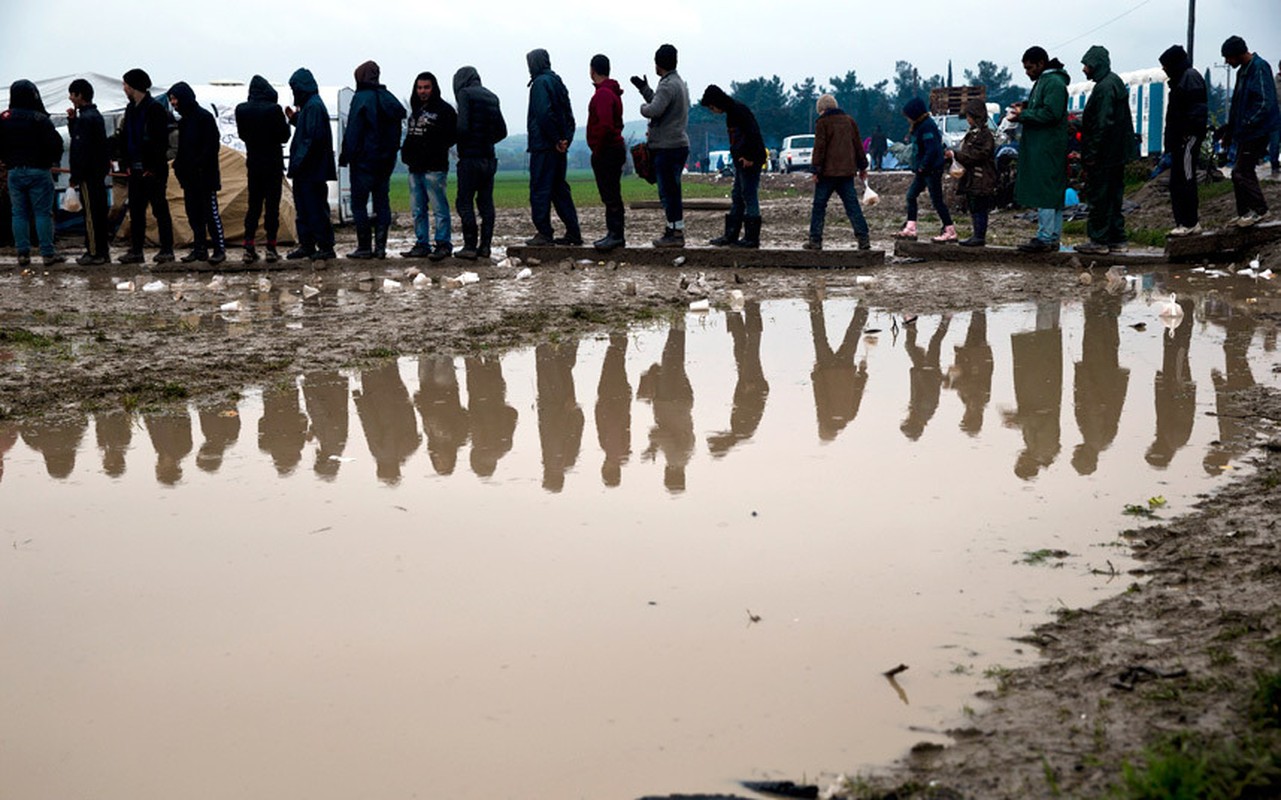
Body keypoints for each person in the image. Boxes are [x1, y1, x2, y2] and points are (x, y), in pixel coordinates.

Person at [340, 60, 406, 259]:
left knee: (359, 205)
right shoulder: (388, 98)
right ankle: (380, 247)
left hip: (363, 162)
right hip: (385, 162)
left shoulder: (360, 98)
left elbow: (352, 131)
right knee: (382, 203)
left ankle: (364, 247)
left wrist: (346, 156)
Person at [1074, 45, 1136, 255]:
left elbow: (1102, 123)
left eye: (1086, 65)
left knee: (1099, 197)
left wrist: (1091, 154)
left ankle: (1099, 240)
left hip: (1104, 155)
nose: (1084, 69)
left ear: (1096, 65)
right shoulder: (1114, 82)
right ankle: (1117, 238)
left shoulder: (1104, 88)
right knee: (1114, 196)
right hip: (1117, 153)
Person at [1010, 47, 1070, 252]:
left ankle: (1046, 237)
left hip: (1048, 146)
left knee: (1046, 191)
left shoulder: (1053, 83)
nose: (1027, 72)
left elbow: (1051, 113)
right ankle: (1051, 236)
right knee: (1050, 191)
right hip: (1045, 146)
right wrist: (1026, 106)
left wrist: (1023, 115)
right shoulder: (1044, 82)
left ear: (1041, 64)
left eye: (1029, 68)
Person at [0, 80, 64, 266]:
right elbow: (56, 144)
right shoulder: (39, 118)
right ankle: (47, 253)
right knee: (42, 213)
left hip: (14, 171)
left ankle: (22, 253)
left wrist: (7, 160)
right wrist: (50, 161)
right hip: (39, 170)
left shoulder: (4, 118)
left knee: (18, 213)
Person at [632, 44, 690, 247]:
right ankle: (674, 228)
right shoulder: (677, 82)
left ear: (658, 63)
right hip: (678, 144)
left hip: (668, 146)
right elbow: (663, 104)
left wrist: (642, 107)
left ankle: (674, 234)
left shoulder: (667, 85)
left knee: (668, 192)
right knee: (673, 191)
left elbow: (654, 109)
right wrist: (645, 90)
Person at [117, 68, 174, 264]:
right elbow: (126, 137)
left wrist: (153, 167)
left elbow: (160, 142)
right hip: (135, 167)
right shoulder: (131, 109)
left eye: (125, 84)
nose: (124, 88)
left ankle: (167, 250)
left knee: (160, 209)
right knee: (136, 210)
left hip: (152, 170)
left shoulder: (154, 109)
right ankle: (136, 250)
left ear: (133, 86)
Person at [1221, 36, 1280, 227]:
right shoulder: (1244, 71)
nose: (1227, 62)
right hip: (1245, 132)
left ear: (1238, 54)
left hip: (1257, 131)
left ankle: (1260, 210)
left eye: (1228, 58)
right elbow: (1237, 104)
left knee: (1241, 171)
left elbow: (1265, 102)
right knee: (1239, 172)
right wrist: (1229, 131)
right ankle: (1245, 213)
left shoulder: (1259, 68)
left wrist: (1247, 123)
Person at [525, 49, 581, 247]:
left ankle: (544, 232)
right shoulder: (558, 82)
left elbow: (543, 114)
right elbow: (569, 115)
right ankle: (573, 232)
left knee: (540, 189)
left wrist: (555, 139)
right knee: (559, 190)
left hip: (544, 146)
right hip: (559, 147)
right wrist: (566, 140)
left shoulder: (540, 83)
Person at [699, 84, 767, 248]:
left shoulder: (738, 111)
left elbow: (752, 133)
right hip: (741, 160)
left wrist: (749, 156)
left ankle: (751, 238)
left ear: (716, 103)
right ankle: (731, 234)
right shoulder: (732, 112)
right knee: (737, 195)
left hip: (749, 160)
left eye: (711, 107)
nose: (712, 111)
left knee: (749, 195)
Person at [400, 71, 457, 261]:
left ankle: (443, 244)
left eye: (426, 87)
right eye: (419, 87)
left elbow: (451, 137)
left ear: (434, 88)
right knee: (417, 209)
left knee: (439, 208)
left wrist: (433, 149)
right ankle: (421, 243)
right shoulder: (415, 111)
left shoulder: (445, 111)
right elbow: (410, 135)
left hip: (435, 167)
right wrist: (406, 154)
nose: (422, 91)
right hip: (414, 168)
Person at [452, 66, 507, 261]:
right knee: (486, 204)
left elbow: (463, 126)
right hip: (489, 158)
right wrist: (486, 140)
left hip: (470, 159)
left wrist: (461, 143)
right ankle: (485, 247)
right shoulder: (492, 97)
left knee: (464, 202)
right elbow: (502, 131)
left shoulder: (465, 95)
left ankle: (469, 245)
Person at [167, 82, 226, 264]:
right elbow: (183, 149)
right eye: (171, 100)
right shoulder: (184, 121)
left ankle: (219, 249)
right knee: (193, 214)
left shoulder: (204, 118)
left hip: (205, 176)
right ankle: (199, 249)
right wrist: (180, 166)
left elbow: (211, 146)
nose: (174, 103)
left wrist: (198, 164)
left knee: (210, 213)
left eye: (175, 98)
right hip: (190, 178)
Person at [803, 93, 870, 250]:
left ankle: (815, 240)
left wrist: (815, 170)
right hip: (847, 173)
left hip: (827, 173)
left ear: (822, 109)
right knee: (852, 206)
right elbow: (858, 146)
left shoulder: (822, 123)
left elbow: (819, 148)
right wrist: (863, 167)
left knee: (819, 207)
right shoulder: (849, 121)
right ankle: (863, 239)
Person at [235, 75, 291, 263]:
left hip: (254, 164)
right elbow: (284, 136)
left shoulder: (241, 110)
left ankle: (249, 246)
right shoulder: (274, 110)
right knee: (272, 207)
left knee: (253, 206)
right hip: (273, 164)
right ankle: (271, 247)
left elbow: (242, 135)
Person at [285, 67, 336, 261]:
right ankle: (308, 245)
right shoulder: (311, 105)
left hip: (310, 169)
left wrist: (297, 163)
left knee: (314, 209)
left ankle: (324, 246)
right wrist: (295, 119)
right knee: (306, 208)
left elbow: (310, 139)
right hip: (310, 169)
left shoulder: (313, 106)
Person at [1159, 45, 1208, 237]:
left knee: (1186, 179)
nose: (1163, 69)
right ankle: (1183, 222)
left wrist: (1188, 133)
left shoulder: (1190, 78)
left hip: (1187, 139)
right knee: (1177, 181)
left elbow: (1196, 111)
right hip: (1180, 140)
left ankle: (1190, 222)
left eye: (1165, 65)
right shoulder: (1182, 78)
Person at [895, 96, 955, 242]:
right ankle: (911, 227)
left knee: (937, 201)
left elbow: (932, 149)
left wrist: (922, 166)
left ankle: (950, 230)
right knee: (911, 195)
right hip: (924, 170)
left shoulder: (927, 126)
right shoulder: (920, 126)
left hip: (931, 170)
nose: (908, 119)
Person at [67, 78, 110, 265]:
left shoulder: (85, 119)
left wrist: (75, 176)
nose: (70, 98)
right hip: (98, 173)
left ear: (80, 95)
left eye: (72, 94)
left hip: (88, 174)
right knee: (99, 212)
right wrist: (72, 122)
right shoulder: (95, 116)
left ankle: (94, 252)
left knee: (91, 215)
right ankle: (103, 250)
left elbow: (80, 148)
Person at [586, 53, 626, 252]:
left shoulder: (602, 94)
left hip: (607, 150)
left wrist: (597, 150)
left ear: (592, 70)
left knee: (610, 194)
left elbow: (605, 125)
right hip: (613, 148)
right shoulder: (612, 92)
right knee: (612, 193)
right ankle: (614, 233)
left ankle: (615, 235)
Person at [947, 98, 998, 247]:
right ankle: (977, 235)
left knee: (979, 208)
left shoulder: (984, 135)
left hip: (981, 178)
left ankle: (979, 236)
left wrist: (956, 155)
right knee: (974, 206)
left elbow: (978, 156)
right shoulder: (974, 134)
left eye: (969, 116)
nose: (968, 120)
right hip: (973, 178)